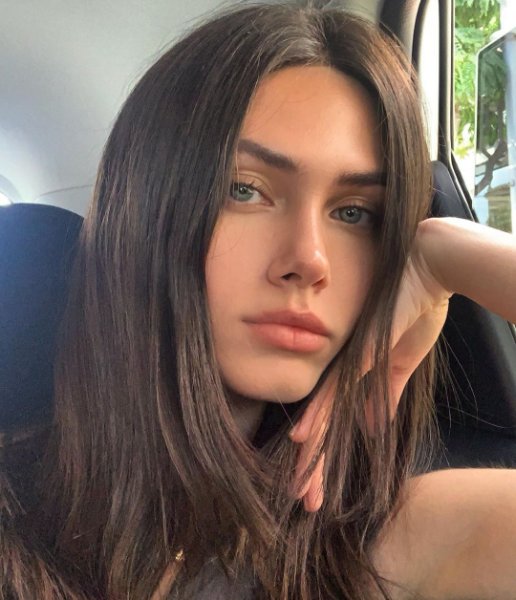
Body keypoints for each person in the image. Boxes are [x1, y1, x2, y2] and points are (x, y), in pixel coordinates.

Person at [1, 3, 515, 599]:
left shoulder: (388, 538)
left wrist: (444, 254)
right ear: (140, 212)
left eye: (356, 213)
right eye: (244, 189)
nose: (310, 259)